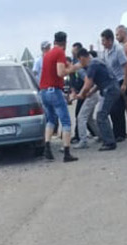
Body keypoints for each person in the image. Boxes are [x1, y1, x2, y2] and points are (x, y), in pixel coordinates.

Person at [39, 31, 81, 163]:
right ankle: (67, 152)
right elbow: (60, 72)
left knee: (51, 120)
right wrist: (71, 70)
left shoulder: (47, 54)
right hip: (54, 91)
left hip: (44, 91)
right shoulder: (59, 53)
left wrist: (73, 66)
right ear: (65, 42)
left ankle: (47, 148)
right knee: (66, 121)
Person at [75, 48, 121, 151]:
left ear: (82, 58)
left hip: (109, 90)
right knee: (102, 114)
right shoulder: (97, 61)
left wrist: (82, 94)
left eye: (80, 60)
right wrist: (91, 92)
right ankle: (108, 139)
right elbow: (101, 80)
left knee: (101, 115)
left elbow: (88, 83)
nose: (81, 63)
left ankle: (109, 142)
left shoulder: (92, 65)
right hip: (111, 88)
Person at [99, 29, 127, 143]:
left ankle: (121, 133)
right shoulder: (105, 52)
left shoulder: (118, 50)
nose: (102, 43)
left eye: (104, 40)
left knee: (119, 108)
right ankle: (115, 133)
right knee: (111, 108)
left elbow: (126, 65)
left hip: (119, 80)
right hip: (110, 82)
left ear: (110, 40)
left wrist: (125, 83)